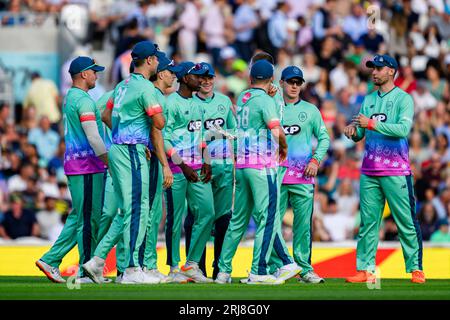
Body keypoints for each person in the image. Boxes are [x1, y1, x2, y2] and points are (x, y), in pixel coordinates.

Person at [82, 41, 167, 285]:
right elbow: (159, 123)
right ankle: (131, 269)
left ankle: (97, 262)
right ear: (149, 60)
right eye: (156, 58)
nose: (159, 62)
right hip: (131, 151)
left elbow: (106, 116)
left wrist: (121, 133)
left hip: (118, 148)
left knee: (126, 210)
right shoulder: (146, 88)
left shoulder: (121, 85)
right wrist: (136, 136)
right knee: (138, 208)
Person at [344, 54, 425, 284]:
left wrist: (369, 123)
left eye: (379, 68)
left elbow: (402, 130)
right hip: (369, 170)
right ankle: (365, 269)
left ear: (391, 71)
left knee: (405, 221)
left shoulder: (404, 99)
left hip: (396, 170)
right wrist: (353, 132)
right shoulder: (368, 99)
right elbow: (361, 134)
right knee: (368, 223)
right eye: (373, 68)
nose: (374, 72)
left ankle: (416, 268)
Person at [35, 56, 108, 284]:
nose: (97, 75)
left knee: (80, 216)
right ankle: (86, 270)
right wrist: (110, 161)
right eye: (94, 72)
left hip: (78, 165)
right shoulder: (83, 100)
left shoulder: (71, 97)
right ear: (84, 74)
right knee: (87, 219)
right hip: (86, 166)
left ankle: (51, 259)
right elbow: (94, 137)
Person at [215, 60, 288, 285]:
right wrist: (284, 147)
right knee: (267, 218)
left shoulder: (244, 97)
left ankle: (223, 272)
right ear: (271, 79)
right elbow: (275, 128)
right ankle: (258, 270)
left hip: (243, 164)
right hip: (261, 164)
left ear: (250, 78)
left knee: (238, 221)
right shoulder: (266, 100)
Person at [268, 65, 330, 283]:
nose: (294, 86)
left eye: (298, 83)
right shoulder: (271, 108)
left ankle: (304, 269)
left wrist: (315, 160)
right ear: (281, 83)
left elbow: (324, 138)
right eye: (290, 82)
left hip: (302, 176)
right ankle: (278, 266)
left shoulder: (311, 111)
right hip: (274, 175)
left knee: (303, 225)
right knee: (272, 223)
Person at [163, 62, 215, 283]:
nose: (202, 80)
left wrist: (207, 160)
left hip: (196, 168)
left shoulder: (197, 104)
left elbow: (201, 135)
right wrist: (182, 166)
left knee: (208, 212)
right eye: (197, 76)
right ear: (185, 78)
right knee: (174, 219)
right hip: (176, 170)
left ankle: (192, 264)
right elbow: (163, 138)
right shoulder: (170, 103)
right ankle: (174, 267)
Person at [183, 62, 236, 280]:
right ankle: (197, 268)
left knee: (223, 218)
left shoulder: (224, 101)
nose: (206, 81)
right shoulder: (189, 102)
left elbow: (235, 130)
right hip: (197, 165)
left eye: (209, 77)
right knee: (198, 216)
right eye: (202, 77)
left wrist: (220, 132)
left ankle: (219, 269)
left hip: (223, 164)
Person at [139, 54, 181, 282]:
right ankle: (145, 265)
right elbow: (156, 133)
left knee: (151, 215)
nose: (174, 75)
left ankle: (145, 264)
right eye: (171, 72)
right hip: (152, 159)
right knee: (148, 214)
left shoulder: (154, 94)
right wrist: (165, 164)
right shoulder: (154, 95)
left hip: (149, 157)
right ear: (161, 73)